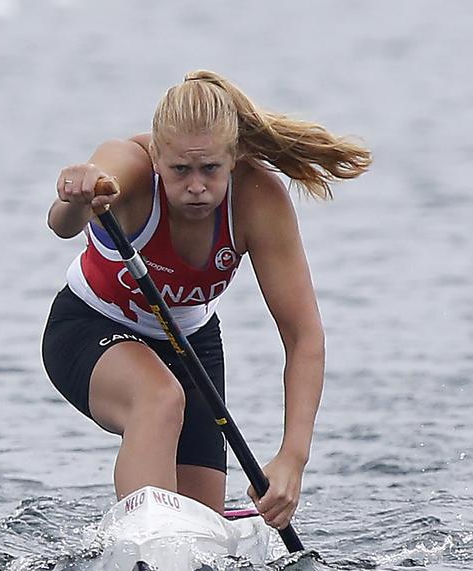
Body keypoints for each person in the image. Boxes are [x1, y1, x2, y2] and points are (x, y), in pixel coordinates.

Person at [42, 70, 370, 530]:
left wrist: (292, 459)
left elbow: (304, 336)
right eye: (180, 170)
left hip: (190, 344)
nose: (196, 186)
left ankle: (184, 552)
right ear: (156, 155)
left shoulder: (258, 201)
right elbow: (62, 223)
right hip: (89, 327)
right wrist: (77, 195)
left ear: (233, 159)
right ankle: (145, 545)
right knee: (158, 398)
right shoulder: (129, 167)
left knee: (201, 521)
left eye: (210, 170)